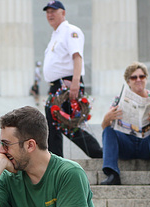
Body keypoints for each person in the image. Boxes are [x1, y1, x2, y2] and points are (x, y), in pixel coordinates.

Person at [42, 1, 102, 158]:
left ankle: (96, 153)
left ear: (63, 13)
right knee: (59, 125)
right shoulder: (55, 35)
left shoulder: (70, 31)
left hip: (67, 84)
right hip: (56, 85)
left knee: (63, 124)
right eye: (47, 12)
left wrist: (75, 83)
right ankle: (94, 152)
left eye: (53, 11)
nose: (50, 14)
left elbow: (77, 57)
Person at [99, 62, 150, 185]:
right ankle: (112, 173)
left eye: (142, 76)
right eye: (134, 77)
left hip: (146, 144)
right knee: (108, 130)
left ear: (146, 79)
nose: (138, 80)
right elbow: (105, 126)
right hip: (126, 143)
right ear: (128, 81)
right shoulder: (119, 98)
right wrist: (107, 118)